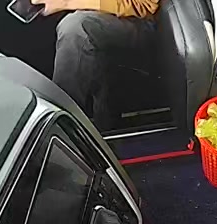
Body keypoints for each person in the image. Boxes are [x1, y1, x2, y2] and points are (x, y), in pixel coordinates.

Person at [33, 0, 160, 131]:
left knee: (76, 29)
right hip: (98, 12)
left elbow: (142, 6)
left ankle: (63, 130)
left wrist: (65, 3)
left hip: (137, 20)